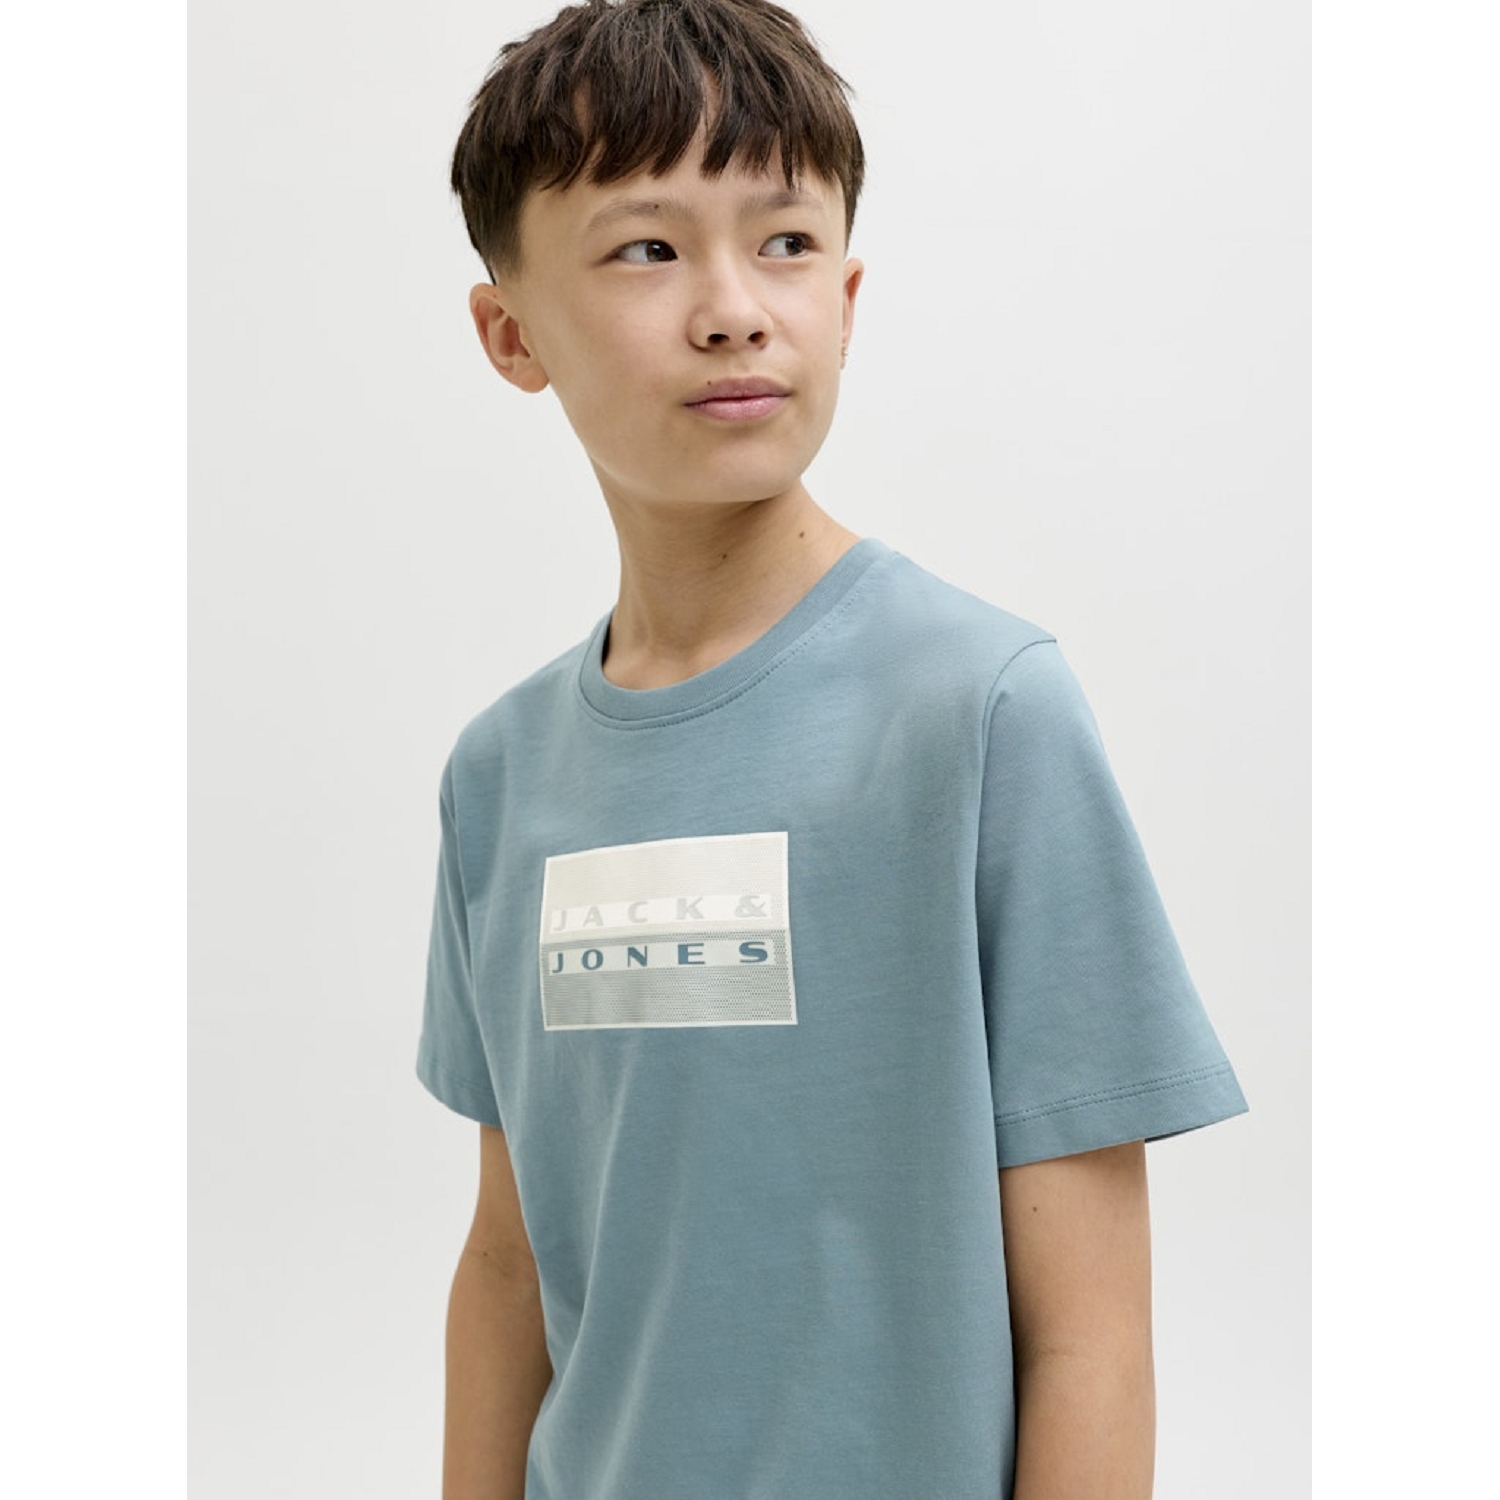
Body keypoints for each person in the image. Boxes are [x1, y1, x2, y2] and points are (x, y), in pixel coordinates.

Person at [417, 2, 1247, 1496]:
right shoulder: (501, 777)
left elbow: (1091, 1339)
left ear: (848, 298)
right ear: (510, 335)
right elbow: (509, 1264)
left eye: (787, 242)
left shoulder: (982, 711)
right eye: (647, 248)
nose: (734, 309)